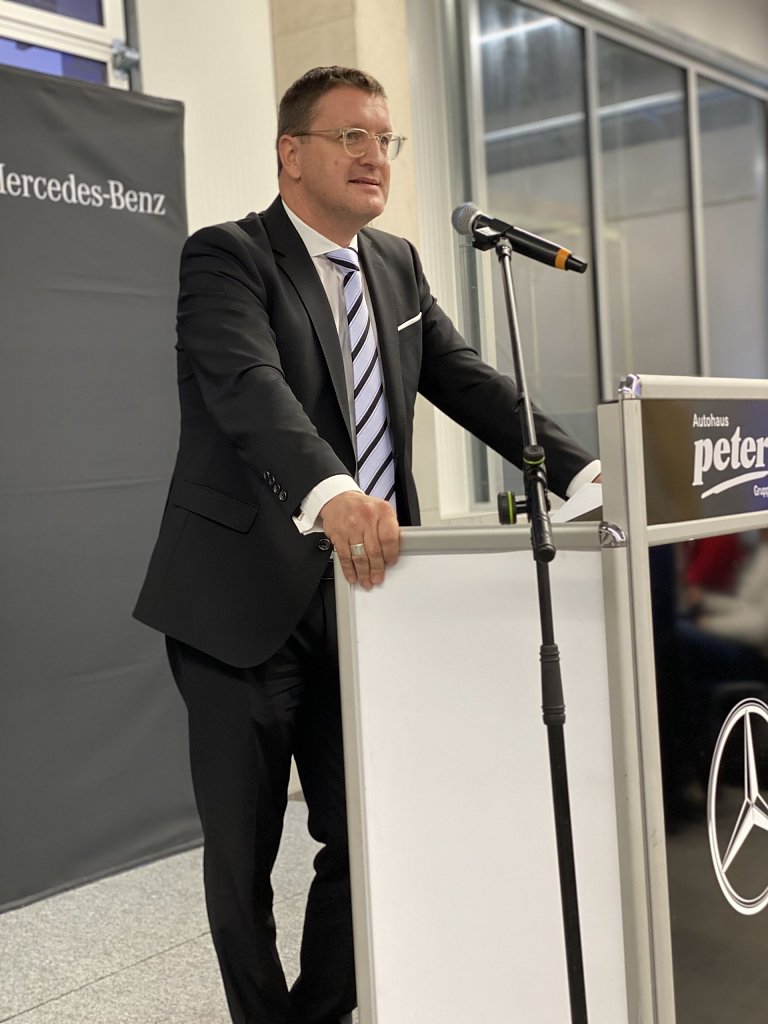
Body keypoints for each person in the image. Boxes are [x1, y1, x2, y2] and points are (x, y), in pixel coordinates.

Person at [134, 66, 599, 1024]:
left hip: (368, 598)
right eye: (350, 136)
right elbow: (249, 388)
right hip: (238, 600)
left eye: (385, 139)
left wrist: (585, 473)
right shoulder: (228, 257)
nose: (374, 155)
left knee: (363, 834)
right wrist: (335, 491)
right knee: (244, 856)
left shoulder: (397, 264)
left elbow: (468, 382)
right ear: (290, 153)